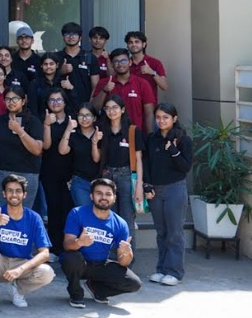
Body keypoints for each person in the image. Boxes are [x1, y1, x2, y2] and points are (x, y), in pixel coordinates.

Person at [0, 174, 55, 313]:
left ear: (24, 195)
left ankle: (18, 290)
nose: (14, 194)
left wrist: (21, 269)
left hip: (21, 264)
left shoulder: (34, 217)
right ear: (4, 194)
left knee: (47, 273)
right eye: (10, 191)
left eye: (18, 191)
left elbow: (45, 253)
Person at [63, 178, 142, 308]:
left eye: (108, 194)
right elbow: (67, 245)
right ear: (91, 196)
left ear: (114, 198)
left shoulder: (120, 223)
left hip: (101, 264)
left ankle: (97, 289)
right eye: (99, 193)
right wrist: (79, 242)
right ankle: (75, 293)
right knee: (71, 257)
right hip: (80, 263)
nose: (103, 197)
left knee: (134, 283)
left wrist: (127, 254)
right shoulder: (77, 213)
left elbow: (124, 263)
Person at [143, 103, 193, 287]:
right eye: (158, 117)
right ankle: (162, 269)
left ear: (174, 118)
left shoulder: (183, 140)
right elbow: (147, 164)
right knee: (161, 232)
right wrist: (146, 185)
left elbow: (185, 167)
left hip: (175, 189)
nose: (161, 121)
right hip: (156, 190)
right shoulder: (152, 139)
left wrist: (173, 150)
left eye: (165, 117)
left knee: (175, 232)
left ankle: (174, 272)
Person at [97, 93, 145, 245]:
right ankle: (111, 256)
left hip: (126, 176)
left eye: (115, 107)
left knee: (126, 220)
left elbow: (139, 159)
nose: (111, 111)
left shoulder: (132, 131)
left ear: (123, 109)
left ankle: (127, 256)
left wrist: (139, 186)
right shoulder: (102, 130)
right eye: (108, 108)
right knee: (108, 218)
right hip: (107, 176)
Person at [0, 85, 43, 209]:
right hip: (0, 173)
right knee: (4, 212)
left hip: (25, 174)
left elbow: (37, 150)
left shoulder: (33, 122)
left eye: (15, 99)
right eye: (8, 99)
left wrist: (19, 131)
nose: (11, 102)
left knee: (23, 213)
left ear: (23, 101)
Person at [40, 92, 76, 257]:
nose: (55, 103)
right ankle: (55, 247)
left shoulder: (73, 120)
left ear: (65, 102)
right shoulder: (44, 120)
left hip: (70, 172)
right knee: (53, 209)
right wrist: (47, 125)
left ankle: (69, 246)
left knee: (69, 209)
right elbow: (46, 146)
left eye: (59, 99)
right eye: (52, 100)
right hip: (50, 171)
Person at [90, 47, 157, 133]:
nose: (120, 64)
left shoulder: (142, 84)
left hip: (134, 134)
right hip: (109, 134)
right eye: (116, 61)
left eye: (123, 61)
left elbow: (149, 114)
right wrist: (104, 90)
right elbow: (94, 108)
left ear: (130, 62)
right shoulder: (104, 83)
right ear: (112, 64)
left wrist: (150, 136)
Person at [63, 104, 103, 207]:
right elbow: (62, 150)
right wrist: (68, 129)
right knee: (84, 213)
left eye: (88, 115)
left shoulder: (100, 134)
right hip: (80, 181)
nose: (84, 119)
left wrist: (94, 142)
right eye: (81, 115)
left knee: (100, 213)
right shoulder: (74, 134)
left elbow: (96, 159)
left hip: (100, 181)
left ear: (94, 118)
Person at [125, 30, 168, 98]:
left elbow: (164, 86)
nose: (133, 44)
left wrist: (152, 72)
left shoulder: (155, 62)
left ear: (144, 44)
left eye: (137, 42)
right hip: (130, 102)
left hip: (149, 103)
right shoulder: (125, 64)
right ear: (127, 45)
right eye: (130, 42)